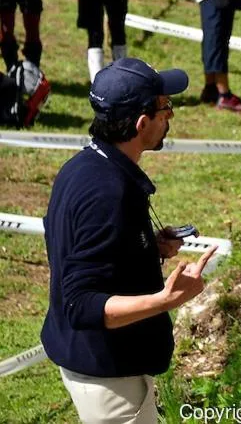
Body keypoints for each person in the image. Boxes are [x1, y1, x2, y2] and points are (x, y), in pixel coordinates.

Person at [41, 57, 217, 424]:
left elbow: (77, 250)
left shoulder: (83, 167)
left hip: (97, 366)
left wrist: (144, 246)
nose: (170, 115)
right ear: (141, 123)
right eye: (165, 107)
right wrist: (166, 299)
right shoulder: (107, 193)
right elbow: (81, 305)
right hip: (109, 379)